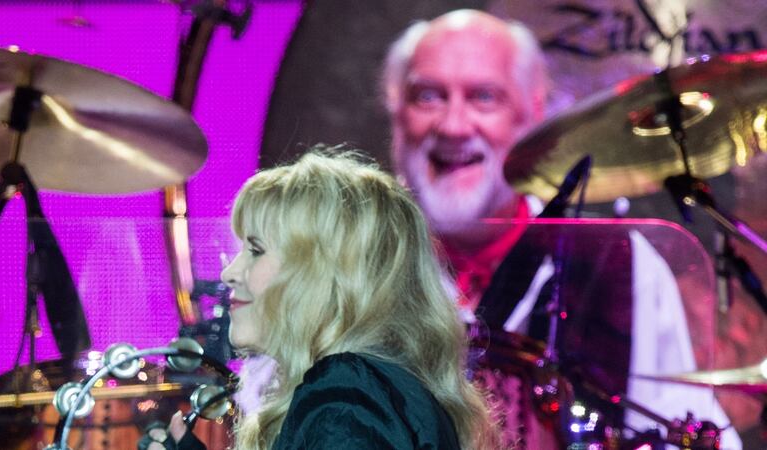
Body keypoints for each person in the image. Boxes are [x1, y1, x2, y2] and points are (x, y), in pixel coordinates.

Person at [382, 9, 740, 450]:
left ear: (533, 112)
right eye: (428, 97)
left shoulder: (622, 266)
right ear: (395, 113)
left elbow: (686, 426)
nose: (453, 126)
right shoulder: (351, 259)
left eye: (484, 97)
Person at [140, 148, 499, 449]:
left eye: (256, 250)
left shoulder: (346, 395)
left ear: (326, 273)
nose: (229, 273)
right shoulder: (373, 391)